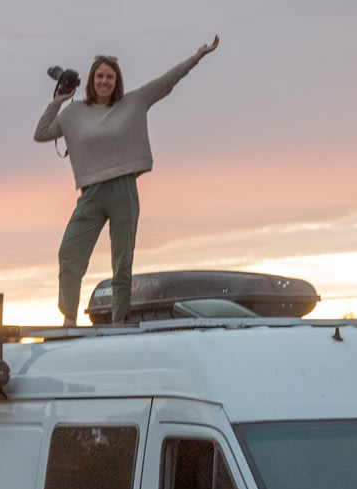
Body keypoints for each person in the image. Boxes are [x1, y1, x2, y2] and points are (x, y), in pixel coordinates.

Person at [35, 36, 219, 324]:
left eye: (109, 76)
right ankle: (69, 319)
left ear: (116, 80)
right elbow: (42, 132)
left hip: (124, 189)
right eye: (99, 76)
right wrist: (57, 102)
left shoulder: (134, 102)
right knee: (69, 254)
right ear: (92, 80)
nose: (104, 81)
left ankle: (118, 321)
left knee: (122, 263)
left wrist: (196, 57)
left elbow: (166, 82)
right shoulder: (74, 113)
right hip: (91, 193)